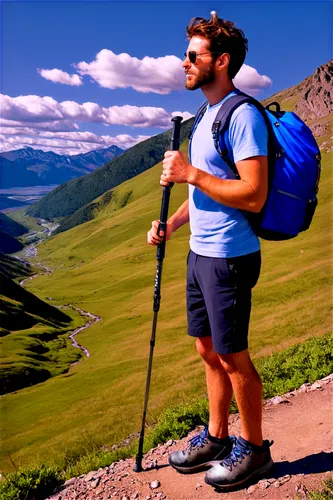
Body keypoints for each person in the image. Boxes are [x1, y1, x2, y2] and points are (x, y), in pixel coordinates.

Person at [147, 12, 273, 491]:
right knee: (207, 350)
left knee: (234, 356)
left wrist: (189, 174)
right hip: (201, 253)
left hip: (230, 257)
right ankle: (218, 437)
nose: (185, 63)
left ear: (220, 61)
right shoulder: (205, 117)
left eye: (193, 56)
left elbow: (253, 193)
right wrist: (173, 224)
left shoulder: (242, 116)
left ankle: (256, 450)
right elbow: (204, 193)